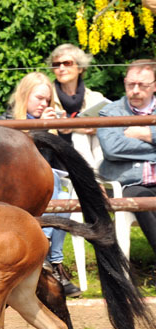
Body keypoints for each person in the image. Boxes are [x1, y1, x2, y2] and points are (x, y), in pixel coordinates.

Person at [0, 72, 82, 297]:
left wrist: (62, 133)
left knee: (62, 188)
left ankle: (51, 261)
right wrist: (39, 127)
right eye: (39, 98)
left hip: (46, 187)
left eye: (47, 100)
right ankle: (51, 262)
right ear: (24, 96)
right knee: (54, 182)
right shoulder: (8, 121)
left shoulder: (50, 122)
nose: (44, 104)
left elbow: (64, 161)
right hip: (14, 187)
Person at [97, 59, 156, 257]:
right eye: (131, 84)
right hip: (126, 184)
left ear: (154, 85)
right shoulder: (109, 112)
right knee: (141, 198)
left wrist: (145, 133)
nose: (136, 90)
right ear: (125, 83)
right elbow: (112, 148)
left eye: (143, 85)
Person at [48, 43, 108, 170]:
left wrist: (73, 126)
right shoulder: (47, 96)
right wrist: (78, 127)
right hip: (59, 156)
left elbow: (109, 126)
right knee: (80, 136)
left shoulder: (95, 97)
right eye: (56, 64)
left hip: (94, 153)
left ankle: (100, 175)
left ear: (80, 68)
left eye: (67, 63)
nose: (61, 68)